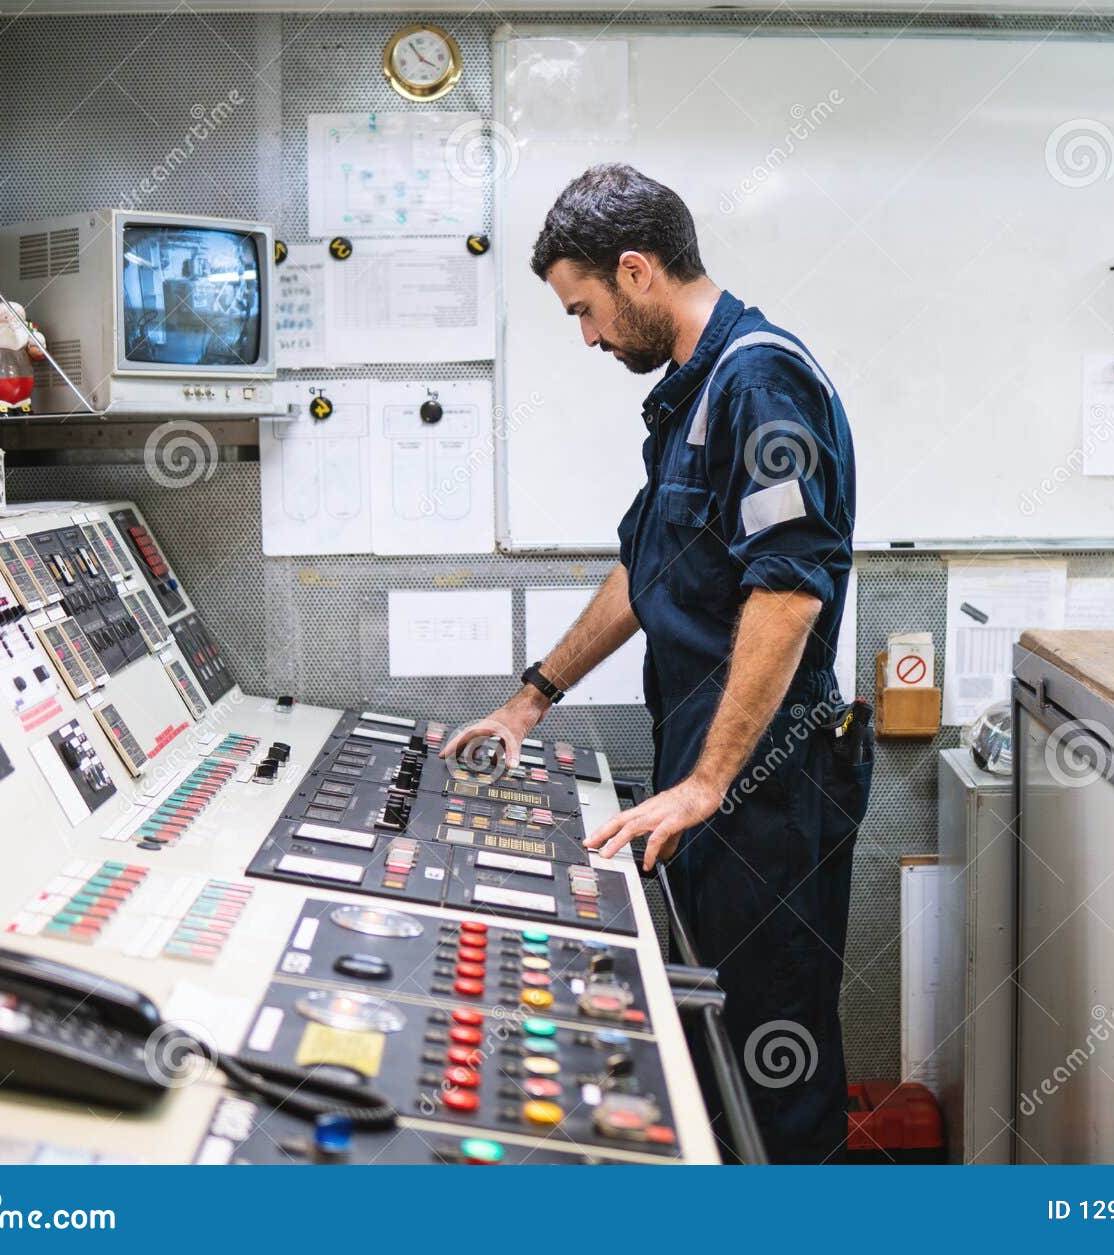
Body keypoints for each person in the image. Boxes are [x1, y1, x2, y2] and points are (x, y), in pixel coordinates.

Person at [443, 164, 872, 1163]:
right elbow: (645, 573)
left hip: (767, 779)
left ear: (636, 272)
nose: (587, 336)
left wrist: (713, 779)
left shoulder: (760, 380)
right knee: (713, 1052)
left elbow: (790, 586)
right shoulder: (694, 393)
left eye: (586, 309)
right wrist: (530, 699)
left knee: (776, 1054)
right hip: (710, 769)